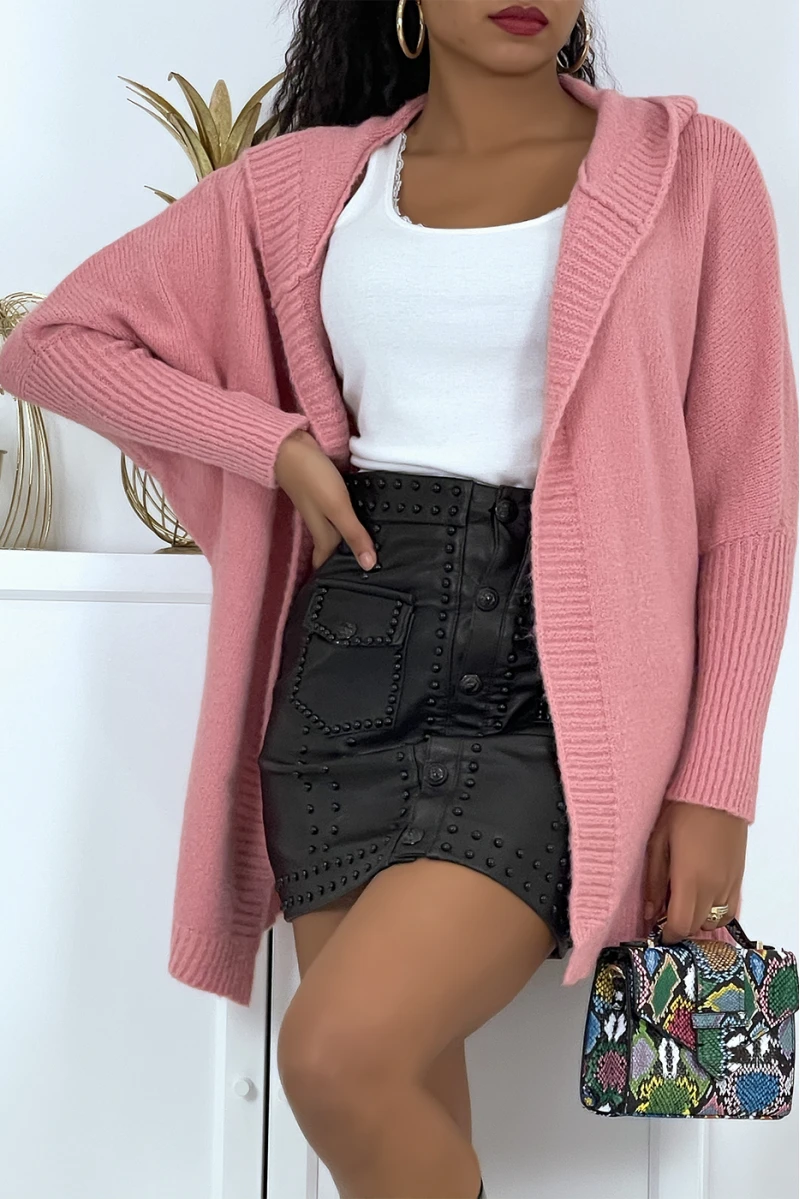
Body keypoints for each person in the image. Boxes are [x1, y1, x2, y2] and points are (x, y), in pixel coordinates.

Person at [0, 2, 795, 1197]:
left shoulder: (688, 166)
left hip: (551, 697)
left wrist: (714, 781)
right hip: (347, 674)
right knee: (392, 1116)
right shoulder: (307, 185)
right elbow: (56, 341)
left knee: (334, 1058)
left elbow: (748, 497)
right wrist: (272, 445)